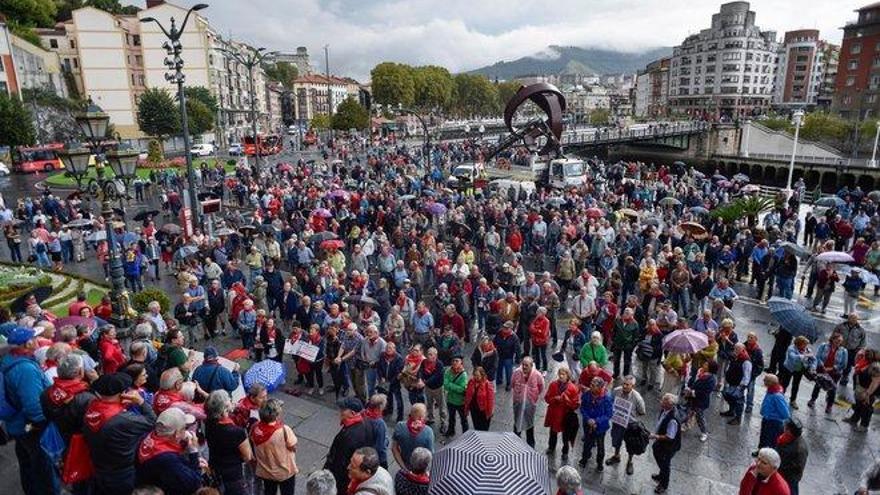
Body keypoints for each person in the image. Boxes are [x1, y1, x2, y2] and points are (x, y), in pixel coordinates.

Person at [1, 326, 54, 495]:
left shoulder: (11, 359)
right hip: (30, 428)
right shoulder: (25, 370)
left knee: (28, 464)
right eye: (35, 338)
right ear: (28, 343)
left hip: (16, 425)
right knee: (43, 467)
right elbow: (34, 407)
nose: (38, 340)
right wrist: (42, 425)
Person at [84, 372, 156, 495]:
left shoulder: (90, 410)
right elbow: (152, 420)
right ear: (122, 393)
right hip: (121, 474)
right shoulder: (124, 419)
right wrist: (141, 401)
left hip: (97, 468)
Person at [135, 407, 204, 495]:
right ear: (177, 434)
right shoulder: (168, 460)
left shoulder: (148, 436)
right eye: (184, 427)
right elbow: (194, 484)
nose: (186, 430)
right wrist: (194, 453)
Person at [324, 397, 376, 494]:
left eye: (343, 409)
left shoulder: (348, 436)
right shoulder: (367, 423)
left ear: (352, 413)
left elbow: (339, 463)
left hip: (342, 479)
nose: (340, 411)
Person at [204, 390, 252, 495]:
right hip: (233, 475)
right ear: (224, 408)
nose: (231, 400)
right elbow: (247, 456)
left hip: (215, 469)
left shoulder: (208, 423)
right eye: (229, 399)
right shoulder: (236, 432)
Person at [250, 398, 299, 495]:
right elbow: (293, 446)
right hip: (285, 472)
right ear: (276, 415)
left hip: (266, 471)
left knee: (269, 491)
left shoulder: (255, 428)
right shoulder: (284, 430)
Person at [606, 375, 646, 475]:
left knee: (631, 444)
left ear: (633, 386)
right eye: (623, 383)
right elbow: (610, 402)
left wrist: (631, 416)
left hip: (630, 426)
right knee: (616, 440)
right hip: (617, 423)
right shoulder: (616, 391)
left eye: (627, 385)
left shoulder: (637, 398)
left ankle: (630, 461)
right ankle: (616, 456)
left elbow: (642, 412)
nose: (624, 386)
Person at [544, 366, 580, 462]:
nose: (560, 376)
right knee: (553, 432)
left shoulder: (573, 388)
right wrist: (554, 399)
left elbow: (575, 405)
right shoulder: (553, 385)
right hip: (554, 414)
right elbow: (547, 398)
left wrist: (567, 400)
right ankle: (551, 447)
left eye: (563, 374)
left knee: (566, 436)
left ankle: (565, 452)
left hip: (565, 416)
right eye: (559, 374)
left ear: (567, 376)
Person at [808, 332, 848, 414]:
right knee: (818, 385)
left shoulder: (844, 351)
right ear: (832, 339)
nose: (839, 342)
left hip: (835, 373)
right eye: (837, 340)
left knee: (832, 389)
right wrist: (822, 366)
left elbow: (844, 364)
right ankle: (813, 400)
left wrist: (832, 368)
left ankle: (829, 406)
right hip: (822, 370)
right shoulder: (823, 346)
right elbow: (818, 357)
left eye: (840, 341)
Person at [579, 376, 613, 471]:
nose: (591, 387)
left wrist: (596, 421)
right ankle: (584, 458)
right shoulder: (587, 394)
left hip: (600, 427)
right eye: (591, 384)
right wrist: (588, 419)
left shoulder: (607, 398)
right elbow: (582, 408)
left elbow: (609, 414)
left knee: (600, 446)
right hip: (587, 424)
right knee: (587, 443)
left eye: (593, 385)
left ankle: (599, 464)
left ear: (600, 388)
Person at [651, 393, 682, 494]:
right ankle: (661, 475)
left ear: (670, 405)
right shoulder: (665, 410)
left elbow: (669, 437)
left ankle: (663, 484)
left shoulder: (673, 419)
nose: (661, 402)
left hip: (668, 447)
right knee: (656, 452)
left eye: (664, 401)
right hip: (660, 443)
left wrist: (656, 436)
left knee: (665, 465)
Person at [511, 356, 545, 447]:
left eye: (526, 365)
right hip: (518, 402)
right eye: (523, 364)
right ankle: (515, 442)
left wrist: (534, 397)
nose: (524, 367)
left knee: (529, 424)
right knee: (517, 421)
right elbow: (513, 384)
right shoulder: (516, 373)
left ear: (531, 365)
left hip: (530, 403)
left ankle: (531, 444)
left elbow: (541, 387)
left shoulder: (537, 375)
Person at [391, 403, 434, 471]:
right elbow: (430, 454)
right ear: (421, 417)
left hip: (405, 464)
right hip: (421, 468)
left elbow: (394, 448)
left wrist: (403, 467)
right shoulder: (428, 431)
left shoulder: (399, 426)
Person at [684, 360, 718, 442]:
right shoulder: (701, 372)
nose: (704, 365)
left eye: (706, 364)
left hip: (700, 401)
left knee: (699, 416)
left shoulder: (711, 379)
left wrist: (692, 392)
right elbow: (695, 382)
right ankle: (686, 424)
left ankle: (704, 432)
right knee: (688, 411)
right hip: (693, 399)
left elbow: (705, 392)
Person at [755, 374, 790, 451]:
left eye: (765, 380)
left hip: (774, 422)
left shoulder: (777, 396)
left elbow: (785, 413)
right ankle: (761, 451)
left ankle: (768, 454)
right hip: (767, 418)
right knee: (763, 437)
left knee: (771, 440)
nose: (764, 381)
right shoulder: (771, 391)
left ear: (770, 383)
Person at [720, 342, 752, 425]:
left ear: (742, 350)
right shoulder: (735, 357)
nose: (735, 350)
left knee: (739, 401)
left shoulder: (746, 361)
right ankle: (731, 411)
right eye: (735, 348)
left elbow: (746, 375)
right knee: (727, 395)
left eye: (737, 349)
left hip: (738, 384)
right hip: (732, 382)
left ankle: (738, 418)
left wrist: (741, 386)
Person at [778, 336, 814, 409]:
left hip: (799, 369)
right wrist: (804, 355)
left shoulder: (807, 350)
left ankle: (793, 400)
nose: (806, 346)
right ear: (799, 344)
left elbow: (813, 359)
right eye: (804, 344)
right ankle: (780, 399)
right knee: (784, 384)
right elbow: (793, 357)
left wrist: (812, 366)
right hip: (789, 368)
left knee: (796, 385)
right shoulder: (791, 348)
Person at [418, 347, 447, 432]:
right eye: (428, 354)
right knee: (429, 404)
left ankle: (443, 422)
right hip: (428, 388)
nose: (428, 356)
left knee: (442, 406)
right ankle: (431, 418)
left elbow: (436, 376)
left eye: (431, 354)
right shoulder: (424, 362)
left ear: (435, 355)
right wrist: (420, 378)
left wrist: (425, 382)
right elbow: (421, 371)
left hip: (438, 388)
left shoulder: (439, 364)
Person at [776, 419, 808, 495]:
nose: (783, 427)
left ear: (789, 431)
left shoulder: (800, 449)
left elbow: (797, 468)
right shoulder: (786, 437)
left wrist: (779, 467)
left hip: (789, 478)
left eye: (786, 427)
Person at [443, 356, 468, 436]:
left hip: (461, 401)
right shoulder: (448, 371)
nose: (454, 362)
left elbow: (462, 389)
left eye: (457, 361)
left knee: (463, 419)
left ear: (461, 363)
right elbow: (445, 384)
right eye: (453, 361)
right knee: (451, 418)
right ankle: (451, 431)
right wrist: (454, 386)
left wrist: (450, 385)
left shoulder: (463, 374)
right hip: (450, 400)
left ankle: (465, 434)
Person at [464, 366, 495, 431]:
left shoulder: (488, 384)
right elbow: (468, 396)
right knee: (476, 427)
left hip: (483, 411)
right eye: (474, 375)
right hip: (474, 409)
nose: (476, 377)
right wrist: (466, 408)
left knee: (484, 428)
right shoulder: (471, 382)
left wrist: (490, 412)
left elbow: (491, 400)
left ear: (482, 375)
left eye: (478, 375)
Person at [363, 394, 390, 468]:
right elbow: (380, 447)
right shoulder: (379, 423)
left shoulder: (363, 414)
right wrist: (386, 441)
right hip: (374, 456)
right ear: (380, 407)